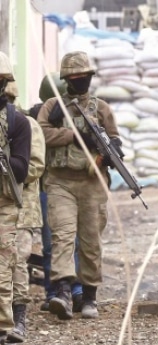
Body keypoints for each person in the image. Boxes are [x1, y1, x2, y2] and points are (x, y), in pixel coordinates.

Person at [36, 51, 120, 320]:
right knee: (62, 236)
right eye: (75, 77)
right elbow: (41, 133)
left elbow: (115, 139)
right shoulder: (53, 106)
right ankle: (61, 290)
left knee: (90, 242)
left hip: (92, 183)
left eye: (84, 76)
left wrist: (112, 149)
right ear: (66, 79)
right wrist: (73, 135)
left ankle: (89, 296)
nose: (80, 81)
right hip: (60, 181)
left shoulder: (101, 108)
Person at [32, 73, 84, 313]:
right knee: (52, 243)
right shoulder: (34, 116)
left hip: (69, 186)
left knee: (70, 240)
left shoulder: (81, 114)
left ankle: (75, 290)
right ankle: (55, 291)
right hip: (46, 187)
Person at [3, 81, 44, 343]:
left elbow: (34, 166)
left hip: (21, 204)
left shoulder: (24, 124)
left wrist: (8, 171)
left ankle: (18, 318)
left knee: (16, 262)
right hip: (9, 201)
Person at [0, 51, 32, 345]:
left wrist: (4, 160)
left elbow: (22, 169)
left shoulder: (17, 123)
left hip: (3, 207)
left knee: (0, 277)